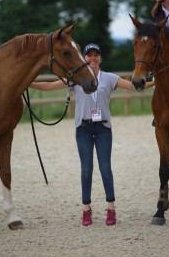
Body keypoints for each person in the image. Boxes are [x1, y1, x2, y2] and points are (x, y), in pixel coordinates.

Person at [30, 43, 154, 227]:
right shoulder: (76, 79)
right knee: (86, 169)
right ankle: (86, 209)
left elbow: (134, 86)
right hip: (83, 129)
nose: (93, 58)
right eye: (89, 55)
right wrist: (28, 82)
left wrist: (156, 81)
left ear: (100, 58)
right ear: (84, 58)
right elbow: (49, 86)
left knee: (105, 169)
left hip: (103, 128)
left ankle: (111, 208)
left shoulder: (110, 78)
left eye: (96, 54)